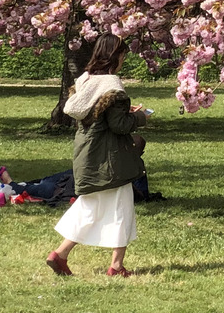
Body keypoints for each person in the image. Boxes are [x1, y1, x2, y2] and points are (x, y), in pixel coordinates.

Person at [46, 34, 151, 278]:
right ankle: (116, 265)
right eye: (123, 54)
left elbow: (100, 115)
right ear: (117, 56)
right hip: (110, 158)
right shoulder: (112, 85)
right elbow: (120, 125)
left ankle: (60, 255)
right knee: (122, 206)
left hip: (88, 153)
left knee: (89, 206)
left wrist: (125, 110)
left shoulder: (86, 81)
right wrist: (141, 116)